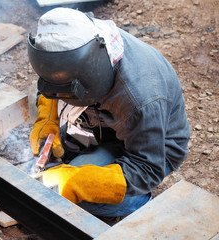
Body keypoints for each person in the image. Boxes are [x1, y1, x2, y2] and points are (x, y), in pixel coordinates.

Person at [28, 7, 190, 218]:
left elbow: (148, 168)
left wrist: (78, 182)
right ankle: (86, 159)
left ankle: (136, 201)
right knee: (35, 94)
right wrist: (48, 118)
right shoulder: (80, 35)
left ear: (91, 73)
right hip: (106, 125)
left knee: (75, 198)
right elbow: (54, 82)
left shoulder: (140, 98)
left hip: (147, 152)